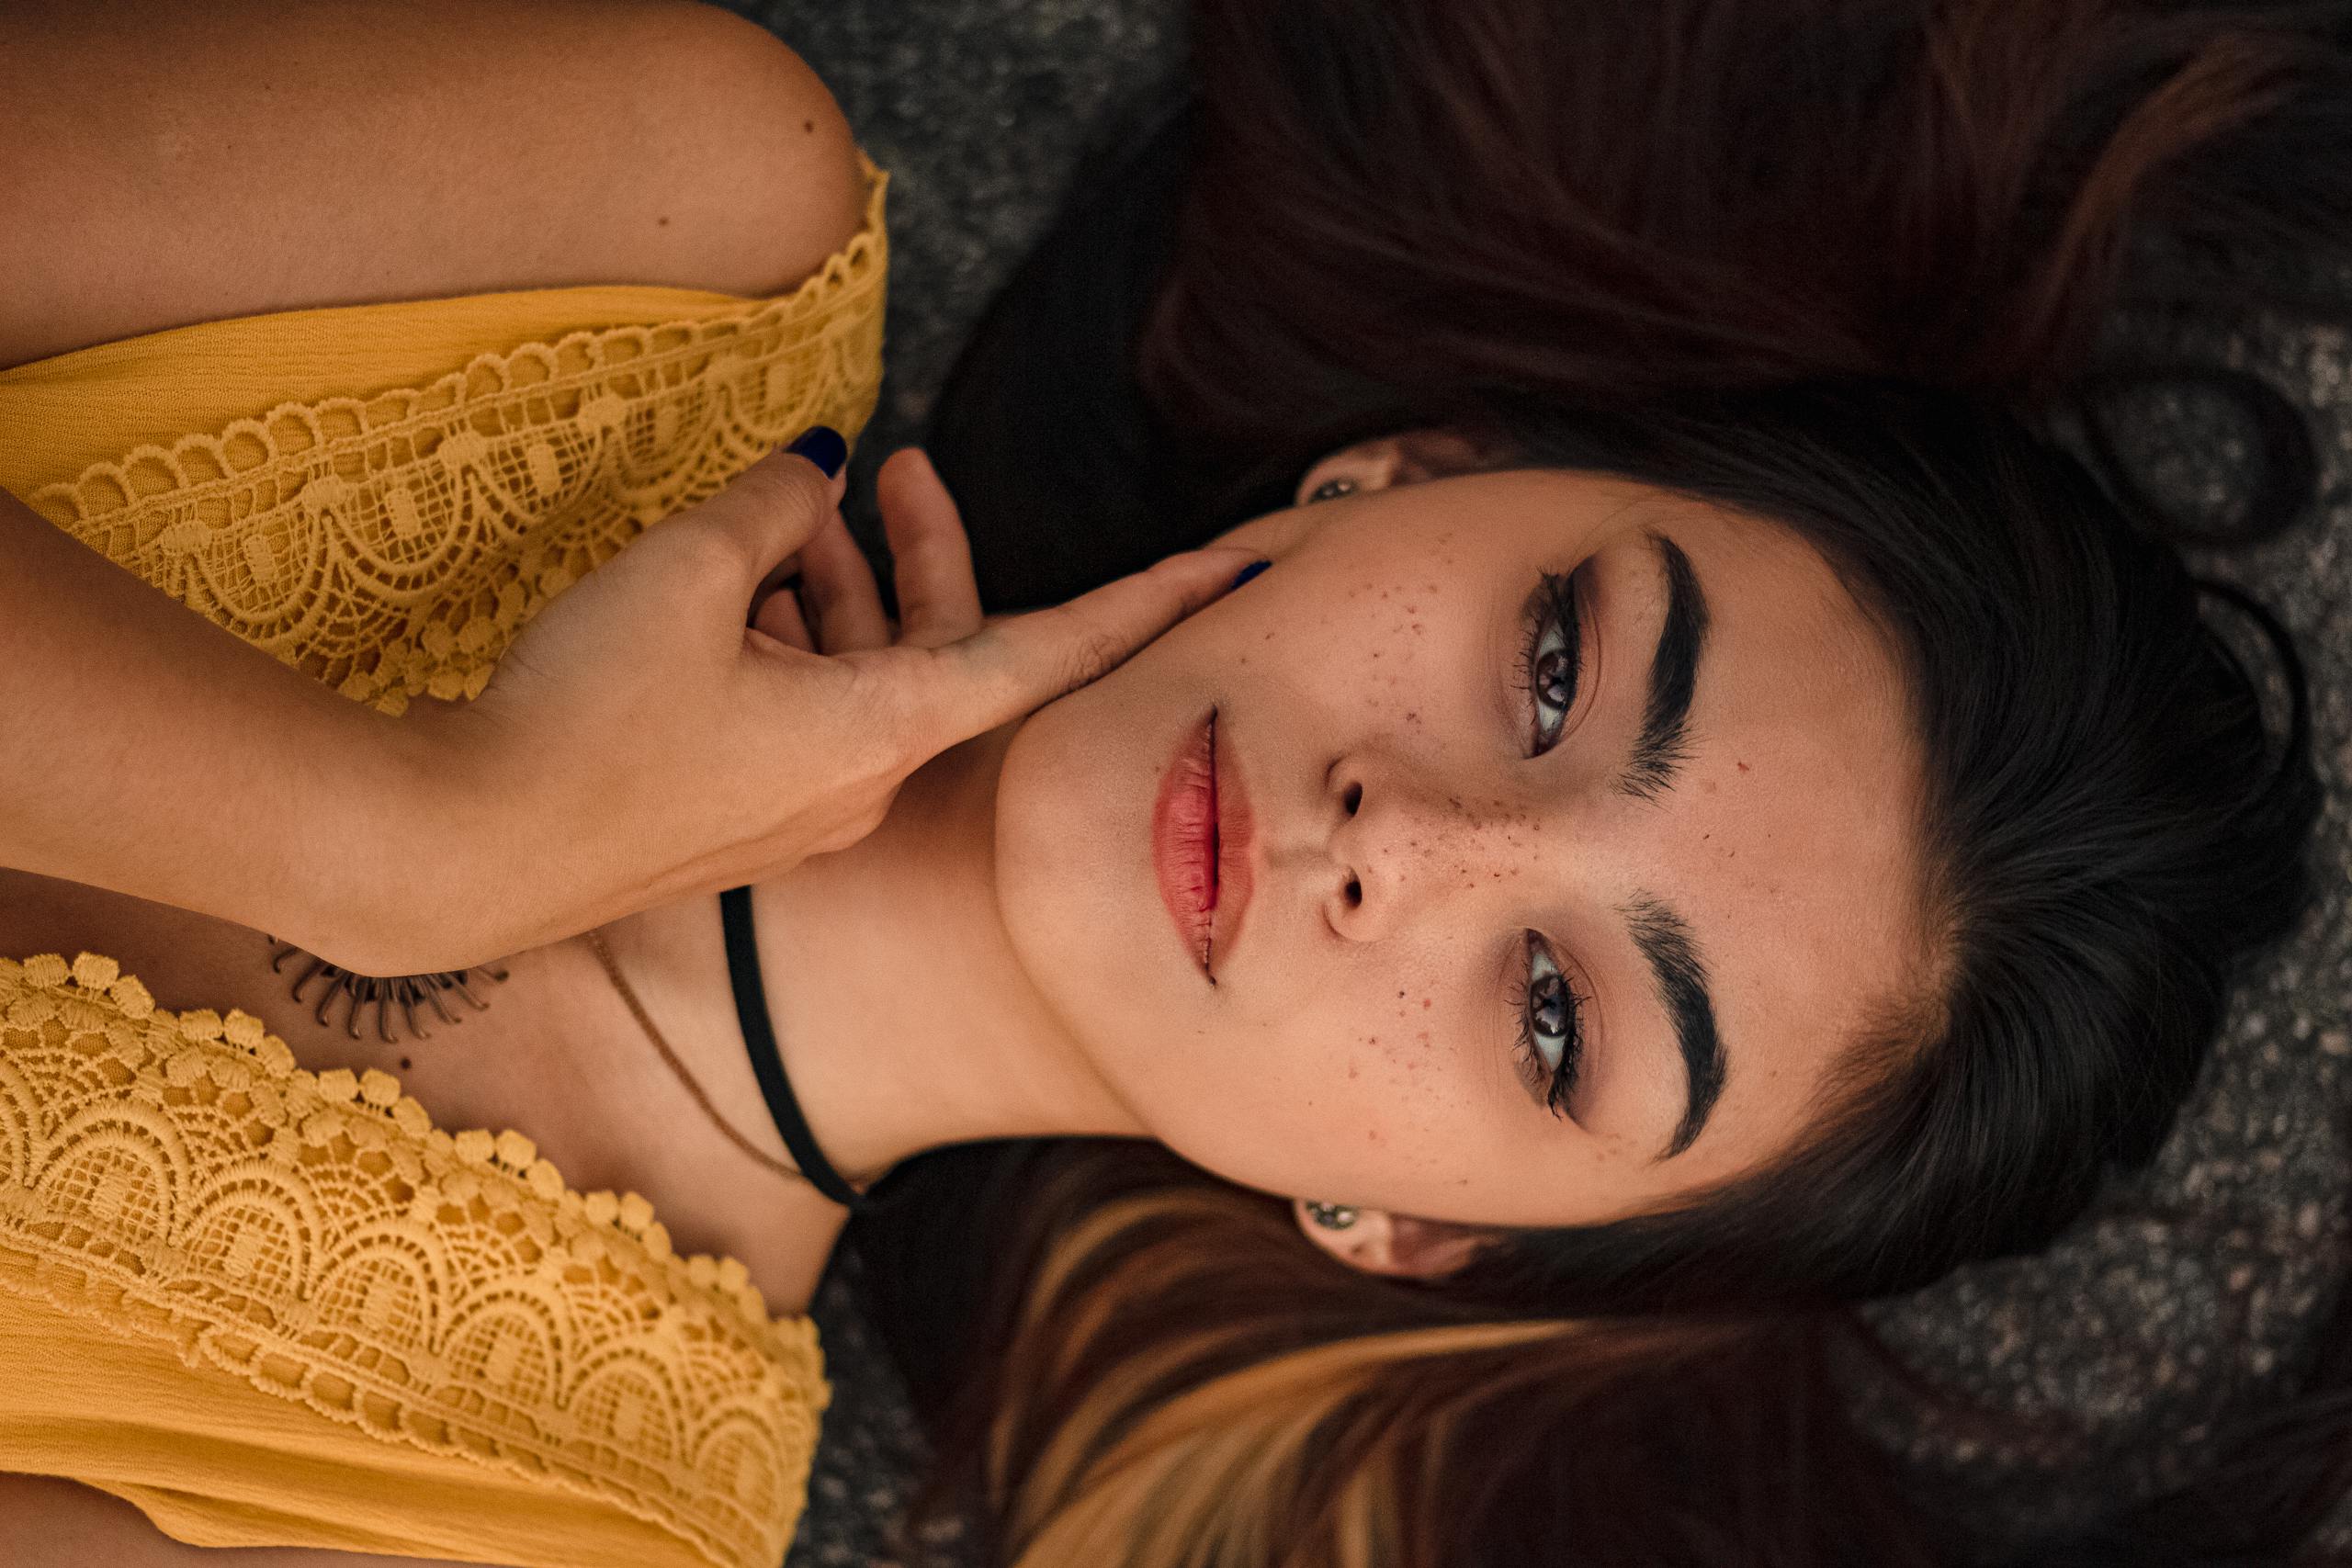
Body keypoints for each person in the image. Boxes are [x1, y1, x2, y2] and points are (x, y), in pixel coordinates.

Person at [0, 6, 2343, 1568]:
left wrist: (436, 850)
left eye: (1551, 1020)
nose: (1398, 841)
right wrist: (391, 831)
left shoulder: (555, 1524)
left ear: (1407, 1232)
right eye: (1551, 660)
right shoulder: (667, 219)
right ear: (1414, 471)